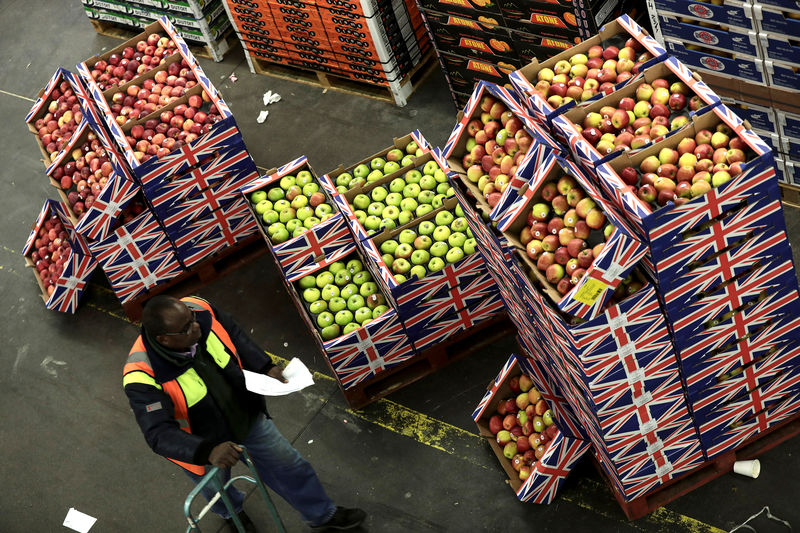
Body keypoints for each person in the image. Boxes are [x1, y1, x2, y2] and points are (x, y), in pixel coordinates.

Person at [123, 294, 366, 532]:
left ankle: (322, 514)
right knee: (217, 490)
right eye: (186, 328)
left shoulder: (200, 309)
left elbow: (235, 335)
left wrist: (264, 365)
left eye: (192, 319)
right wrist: (207, 451)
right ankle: (232, 513)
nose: (196, 326)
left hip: (246, 416)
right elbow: (158, 433)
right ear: (164, 339)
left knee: (290, 466)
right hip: (203, 443)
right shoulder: (142, 375)